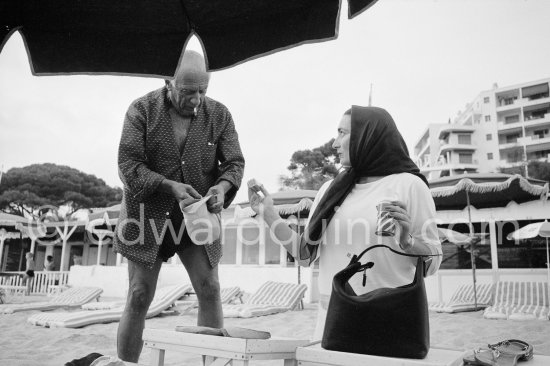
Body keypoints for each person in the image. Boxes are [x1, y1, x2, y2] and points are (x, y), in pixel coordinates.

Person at [248, 106, 442, 340]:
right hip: (334, 321)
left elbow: (433, 261)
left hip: (390, 322)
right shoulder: (330, 191)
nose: (334, 144)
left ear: (367, 136)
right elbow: (304, 255)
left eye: (342, 133)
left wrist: (408, 242)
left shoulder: (409, 186)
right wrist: (269, 214)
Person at [114, 50, 244, 362]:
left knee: (210, 289)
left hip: (197, 217)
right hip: (146, 216)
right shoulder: (141, 110)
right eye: (189, 92)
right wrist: (169, 186)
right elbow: (127, 165)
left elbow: (235, 163)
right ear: (168, 82)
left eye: (203, 90)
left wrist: (222, 188)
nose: (197, 99)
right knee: (139, 295)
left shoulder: (220, 115)